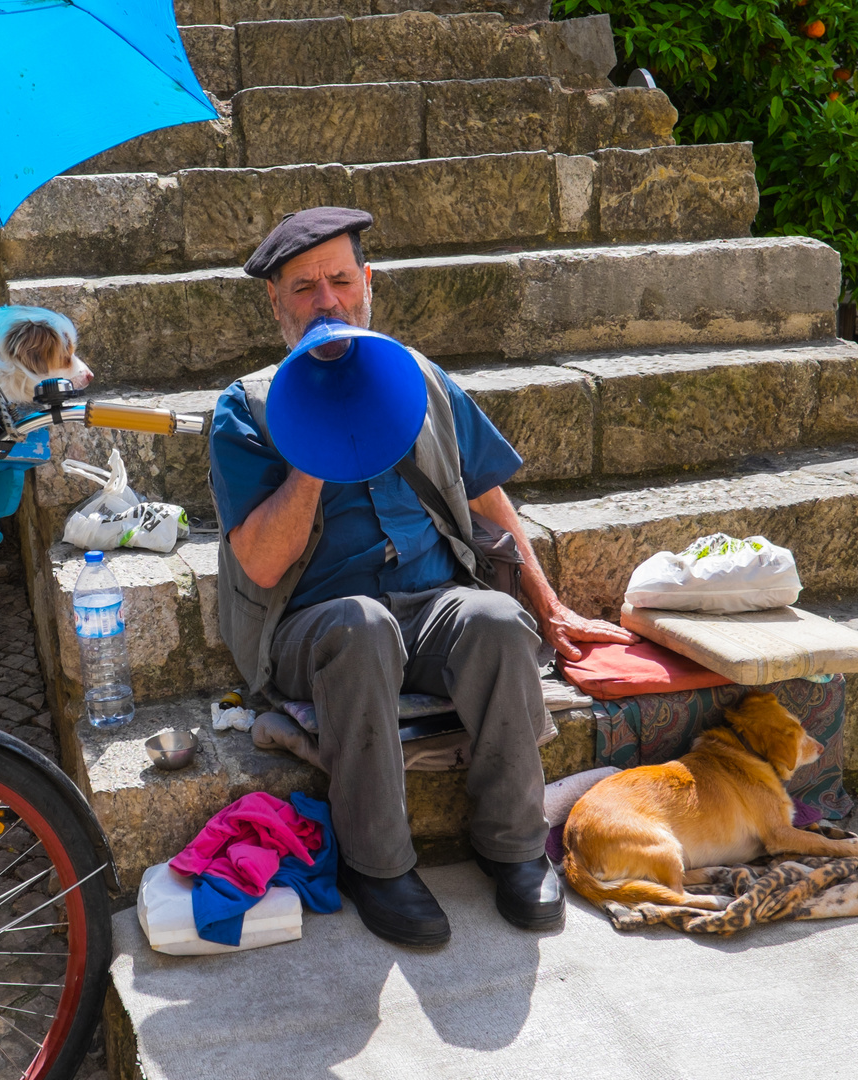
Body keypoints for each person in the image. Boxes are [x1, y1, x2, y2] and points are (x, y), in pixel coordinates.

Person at [208, 207, 636, 948]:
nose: (327, 302)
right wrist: (312, 439)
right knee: (361, 625)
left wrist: (549, 603)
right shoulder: (246, 407)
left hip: (431, 601)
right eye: (304, 288)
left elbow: (486, 498)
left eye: (341, 280)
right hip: (316, 623)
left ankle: (508, 844)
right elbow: (260, 563)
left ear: (367, 284)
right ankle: (377, 865)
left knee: (499, 623)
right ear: (273, 303)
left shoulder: (418, 378)